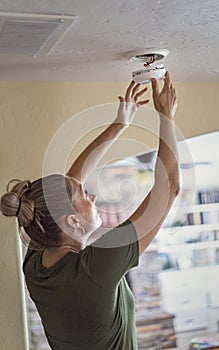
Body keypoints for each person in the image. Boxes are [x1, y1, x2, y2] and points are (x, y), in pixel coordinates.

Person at [0, 71, 179, 350]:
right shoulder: (94, 267)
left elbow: (72, 184)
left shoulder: (39, 260)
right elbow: (169, 188)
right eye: (85, 196)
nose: (92, 195)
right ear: (71, 220)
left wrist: (120, 124)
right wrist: (165, 116)